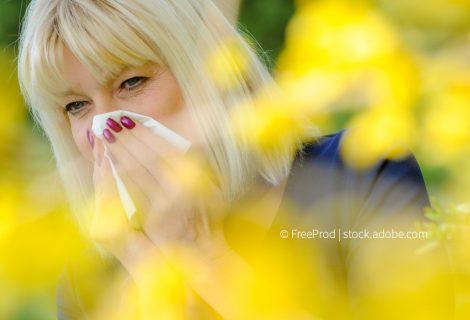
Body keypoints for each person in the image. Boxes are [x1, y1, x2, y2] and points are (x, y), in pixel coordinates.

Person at [17, 0, 454, 319]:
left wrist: (200, 254)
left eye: (132, 81)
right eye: (76, 106)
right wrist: (151, 269)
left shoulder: (362, 172)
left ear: (205, 71)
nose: (103, 125)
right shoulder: (86, 284)